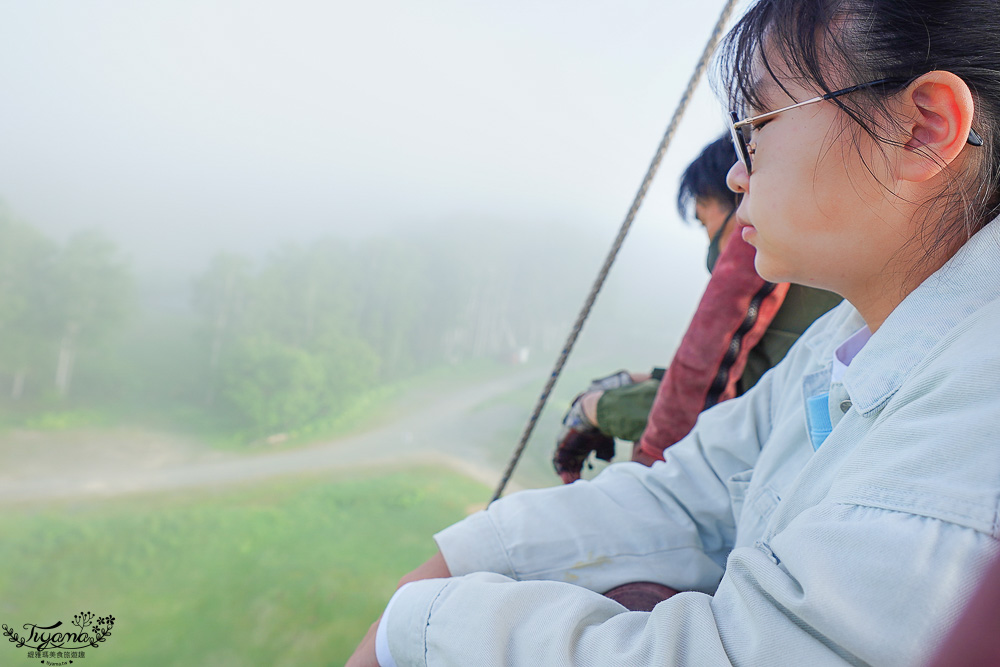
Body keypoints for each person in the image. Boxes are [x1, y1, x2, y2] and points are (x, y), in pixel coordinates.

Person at [349, 0, 1000, 663]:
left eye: (758, 126)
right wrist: (467, 556)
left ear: (923, 130)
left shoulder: (978, 418)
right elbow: (694, 489)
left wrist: (421, 625)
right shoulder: (846, 335)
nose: (738, 171)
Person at [554, 137, 841, 483]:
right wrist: (644, 381)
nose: (710, 248)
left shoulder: (792, 282)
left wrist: (596, 408)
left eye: (706, 223)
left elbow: (726, 409)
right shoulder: (821, 271)